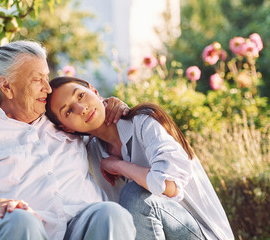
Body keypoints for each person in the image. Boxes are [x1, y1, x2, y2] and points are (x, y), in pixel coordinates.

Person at [0, 41, 136, 240]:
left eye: (46, 77)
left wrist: (111, 106)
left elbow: (95, 117)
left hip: (78, 227)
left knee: (111, 214)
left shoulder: (61, 117)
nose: (47, 88)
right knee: (21, 221)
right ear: (6, 86)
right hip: (12, 229)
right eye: (37, 80)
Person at [45, 76, 235, 240]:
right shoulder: (89, 151)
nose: (81, 108)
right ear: (67, 128)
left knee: (135, 196)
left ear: (93, 90)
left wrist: (119, 165)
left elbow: (168, 185)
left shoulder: (143, 122)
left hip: (202, 234)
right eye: (68, 111)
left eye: (81, 95)